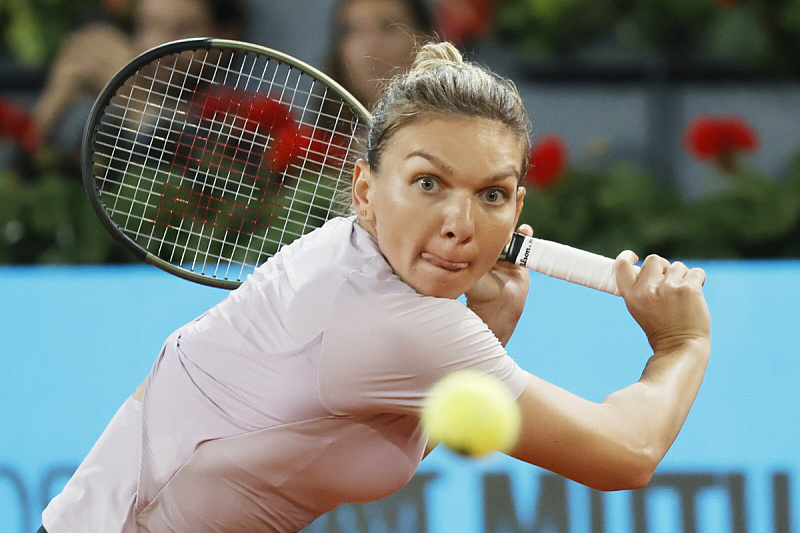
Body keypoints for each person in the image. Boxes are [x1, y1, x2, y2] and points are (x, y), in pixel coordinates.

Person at [39, 41, 711, 532]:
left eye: (491, 194)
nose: (459, 224)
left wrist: (491, 328)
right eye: (428, 183)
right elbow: (626, 453)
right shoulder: (398, 324)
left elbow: (354, 430)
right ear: (365, 190)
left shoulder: (352, 257)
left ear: (518, 204)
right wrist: (682, 344)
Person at [29, 0, 244, 177]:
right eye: (149, 26)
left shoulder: (237, 113)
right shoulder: (104, 103)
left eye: (183, 31)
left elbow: (190, 164)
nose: (161, 46)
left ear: (226, 38)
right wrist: (53, 106)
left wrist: (132, 93)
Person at [326, 0, 437, 110]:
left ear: (425, 39)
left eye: (389, 27)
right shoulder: (312, 127)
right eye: (353, 30)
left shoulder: (452, 124)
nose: (370, 48)